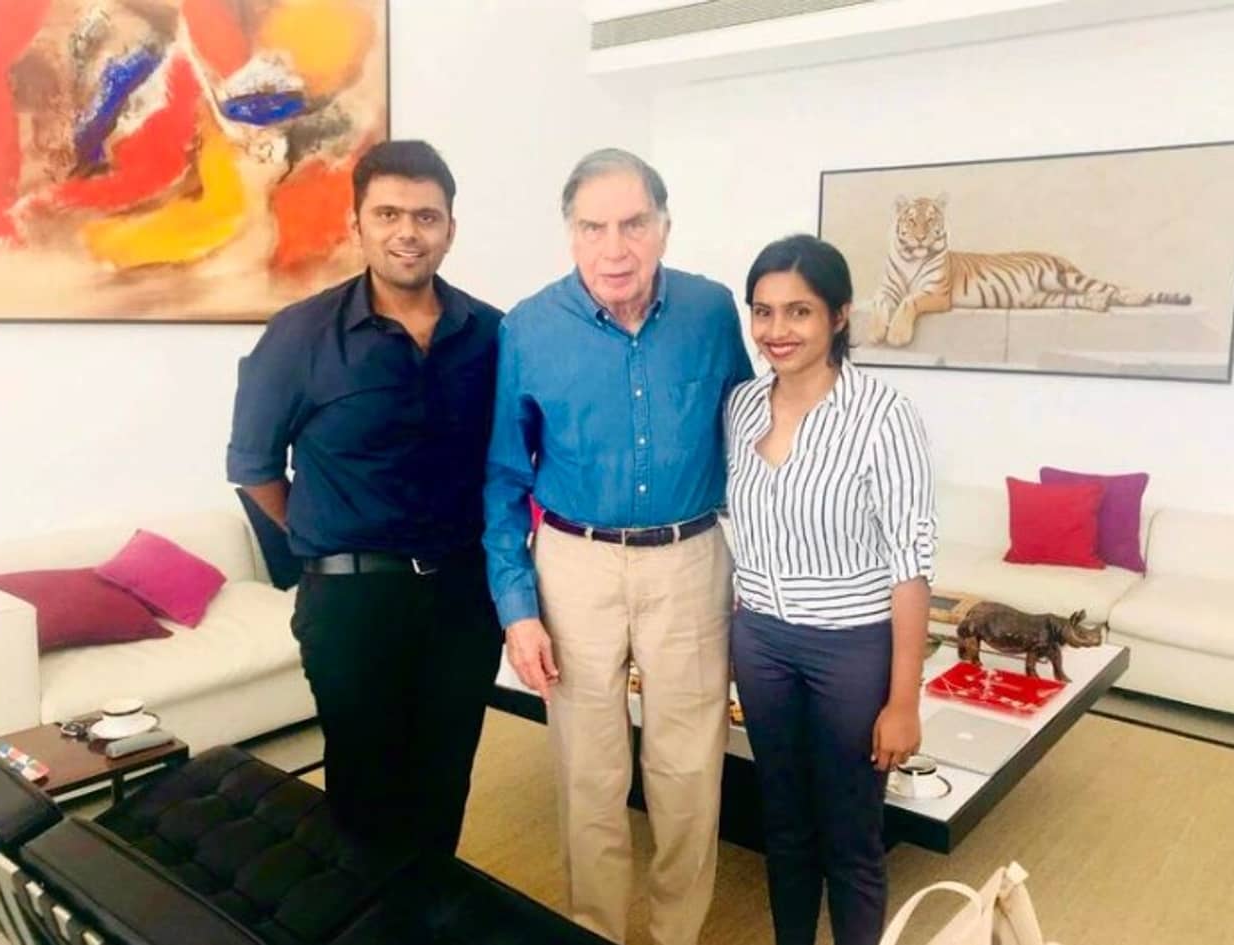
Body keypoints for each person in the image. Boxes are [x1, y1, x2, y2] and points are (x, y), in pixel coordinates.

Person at [483, 148, 753, 945]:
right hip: (574, 564)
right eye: (593, 227)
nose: (614, 248)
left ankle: (677, 933)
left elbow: (749, 433)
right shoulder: (528, 327)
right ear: (570, 234)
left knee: (689, 769)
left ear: (665, 226)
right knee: (589, 772)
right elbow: (503, 478)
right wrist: (517, 609)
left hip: (690, 559)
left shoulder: (711, 311)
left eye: (634, 224)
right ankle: (593, 929)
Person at [226, 140, 504, 864]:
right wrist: (321, 533)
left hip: (464, 601)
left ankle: (429, 908)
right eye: (388, 214)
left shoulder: (491, 333)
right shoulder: (300, 335)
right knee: (364, 799)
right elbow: (253, 466)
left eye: (426, 216)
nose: (407, 231)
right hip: (351, 605)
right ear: (357, 225)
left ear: (450, 229)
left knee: (444, 783)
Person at [724, 235, 936, 945]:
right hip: (760, 644)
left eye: (799, 311)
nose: (776, 330)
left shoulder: (884, 415)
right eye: (763, 311)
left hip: (851, 651)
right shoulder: (741, 408)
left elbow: (910, 566)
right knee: (783, 825)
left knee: (851, 834)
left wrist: (903, 701)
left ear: (839, 316)